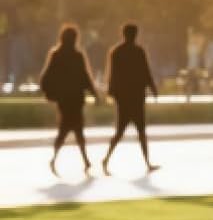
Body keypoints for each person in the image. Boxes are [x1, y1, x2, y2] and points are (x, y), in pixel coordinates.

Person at [39, 24, 98, 177]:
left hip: (64, 99)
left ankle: (79, 160)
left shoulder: (56, 55)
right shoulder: (77, 56)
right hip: (76, 99)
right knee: (74, 129)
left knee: (68, 128)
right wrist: (94, 94)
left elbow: (46, 77)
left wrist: (51, 93)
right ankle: (82, 160)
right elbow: (85, 77)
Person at [102, 23, 159, 175]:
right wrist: (153, 88)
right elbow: (146, 72)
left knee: (123, 131)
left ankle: (107, 159)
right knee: (138, 131)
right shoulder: (138, 51)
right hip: (136, 97)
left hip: (124, 98)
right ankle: (146, 162)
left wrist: (112, 92)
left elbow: (112, 75)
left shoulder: (117, 52)